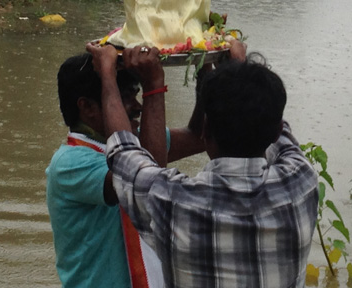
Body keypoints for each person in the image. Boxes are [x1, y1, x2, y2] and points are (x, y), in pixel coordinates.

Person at [86, 43, 319, 288]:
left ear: (205, 131)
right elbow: (277, 129)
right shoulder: (302, 182)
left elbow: (123, 153)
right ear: (275, 132)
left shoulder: (175, 202)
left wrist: (109, 77)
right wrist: (239, 73)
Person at [46, 48, 204, 288]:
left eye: (136, 95)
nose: (138, 106)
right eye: (124, 97)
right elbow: (146, 178)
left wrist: (209, 68)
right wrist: (154, 87)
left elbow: (200, 136)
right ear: (86, 107)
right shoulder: (70, 163)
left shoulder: (137, 140)